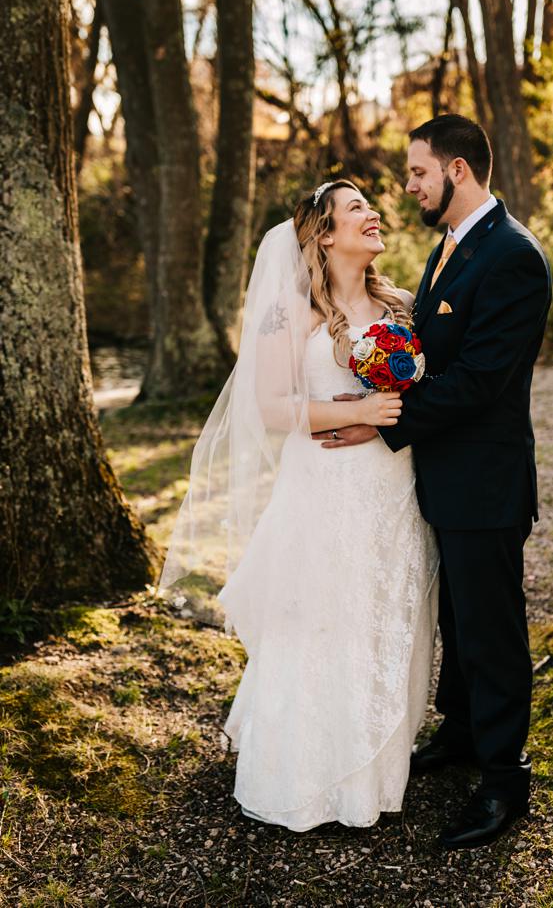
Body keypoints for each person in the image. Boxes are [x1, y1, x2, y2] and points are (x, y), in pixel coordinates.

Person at [161, 179, 436, 831]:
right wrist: (360, 409)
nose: (374, 214)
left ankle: (374, 774)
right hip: (325, 488)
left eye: (371, 206)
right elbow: (271, 407)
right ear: (324, 233)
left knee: (380, 610)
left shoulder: (398, 304)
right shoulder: (290, 309)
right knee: (322, 617)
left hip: (392, 486)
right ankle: (309, 775)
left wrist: (390, 415)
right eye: (356, 208)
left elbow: (425, 392)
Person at [317, 114, 551, 848]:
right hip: (445, 475)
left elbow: (481, 381)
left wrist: (383, 420)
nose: (407, 185)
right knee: (455, 614)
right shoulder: (450, 244)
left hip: (485, 479)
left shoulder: (512, 255)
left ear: (456, 170)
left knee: (492, 628)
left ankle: (505, 778)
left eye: (417, 172)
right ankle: (463, 731)